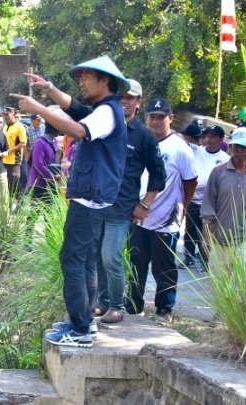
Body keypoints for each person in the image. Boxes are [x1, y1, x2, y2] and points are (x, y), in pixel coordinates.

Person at [12, 55, 130, 348]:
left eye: (86, 77)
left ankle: (79, 329)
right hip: (94, 195)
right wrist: (49, 88)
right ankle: (84, 322)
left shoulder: (106, 112)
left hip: (90, 197)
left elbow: (78, 129)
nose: (81, 82)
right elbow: (75, 110)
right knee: (85, 259)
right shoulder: (104, 109)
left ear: (105, 81)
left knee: (72, 258)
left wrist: (38, 108)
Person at [95, 79, 166, 324]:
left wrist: (145, 205)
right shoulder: (104, 126)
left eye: (130, 98)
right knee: (97, 256)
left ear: (139, 103)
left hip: (121, 207)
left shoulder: (144, 135)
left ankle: (117, 305)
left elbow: (159, 174)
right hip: (96, 204)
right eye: (121, 97)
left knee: (110, 256)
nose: (124, 101)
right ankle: (103, 302)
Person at [126, 98, 197, 320]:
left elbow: (191, 181)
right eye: (152, 116)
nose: (156, 121)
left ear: (171, 118)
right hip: (137, 216)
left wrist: (182, 207)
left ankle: (164, 310)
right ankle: (133, 307)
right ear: (145, 117)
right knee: (136, 263)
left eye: (161, 117)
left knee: (163, 267)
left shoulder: (180, 148)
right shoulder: (140, 140)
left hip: (166, 220)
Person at [201, 127, 246, 271]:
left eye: (244, 146)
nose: (239, 150)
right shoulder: (218, 171)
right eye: (236, 146)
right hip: (219, 239)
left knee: (241, 290)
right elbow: (208, 206)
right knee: (217, 287)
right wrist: (205, 237)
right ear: (230, 146)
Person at [184, 125, 229, 268]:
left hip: (212, 203)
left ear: (221, 139)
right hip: (193, 199)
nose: (209, 139)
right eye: (207, 136)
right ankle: (188, 258)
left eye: (213, 136)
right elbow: (182, 141)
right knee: (189, 230)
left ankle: (206, 261)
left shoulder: (225, 159)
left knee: (207, 234)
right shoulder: (197, 151)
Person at [27, 121, 61, 202]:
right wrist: (52, 176)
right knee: (36, 211)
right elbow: (38, 164)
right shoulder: (40, 143)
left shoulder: (54, 141)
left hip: (49, 182)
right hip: (38, 183)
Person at [1, 107, 28, 196]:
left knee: (14, 185)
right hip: (4, 160)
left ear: (13, 115)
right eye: (4, 115)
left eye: (7, 115)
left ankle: (19, 206)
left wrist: (9, 151)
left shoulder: (19, 126)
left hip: (14, 161)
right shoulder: (5, 126)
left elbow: (23, 143)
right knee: (6, 187)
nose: (5, 117)